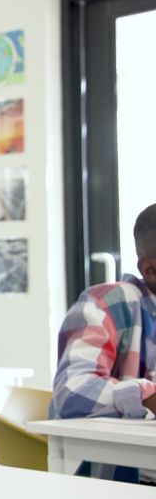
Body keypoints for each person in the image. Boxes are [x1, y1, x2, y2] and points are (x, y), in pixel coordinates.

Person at [50, 202, 156, 483]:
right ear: (151, 269)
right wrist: (148, 397)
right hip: (128, 481)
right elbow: (73, 391)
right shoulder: (107, 304)